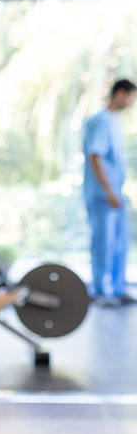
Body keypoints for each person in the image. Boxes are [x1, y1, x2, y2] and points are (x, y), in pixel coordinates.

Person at [83, 78, 137, 306]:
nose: (132, 102)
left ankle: (116, 289)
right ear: (120, 93)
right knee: (103, 243)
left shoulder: (115, 121)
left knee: (119, 242)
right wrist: (108, 190)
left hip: (115, 193)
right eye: (131, 97)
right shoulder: (99, 121)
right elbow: (94, 157)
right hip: (103, 194)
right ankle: (100, 290)